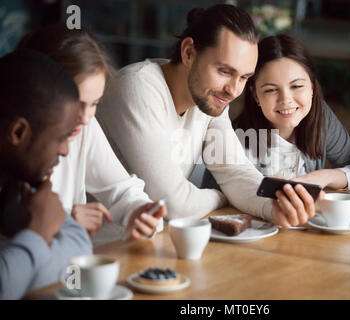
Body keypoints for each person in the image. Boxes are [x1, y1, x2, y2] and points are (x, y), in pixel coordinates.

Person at [98, 4, 324, 228]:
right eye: (225, 72)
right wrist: (221, 195)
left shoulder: (209, 99)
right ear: (188, 53)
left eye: (244, 77)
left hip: (160, 241)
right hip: (107, 247)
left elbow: (234, 171)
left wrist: (271, 206)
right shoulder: (137, 87)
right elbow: (175, 205)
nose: (234, 90)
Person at [18, 25, 166, 246]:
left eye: (94, 104)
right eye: (77, 103)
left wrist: (138, 211)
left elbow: (121, 190)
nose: (86, 118)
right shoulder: (13, 144)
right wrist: (66, 224)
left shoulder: (83, 128)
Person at [0, 50, 92, 299]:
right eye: (61, 138)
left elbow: (79, 250)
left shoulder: (21, 180)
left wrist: (20, 265)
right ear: (18, 132)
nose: (65, 151)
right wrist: (39, 233)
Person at [233, 34, 350, 190]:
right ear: (255, 95)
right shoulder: (236, 138)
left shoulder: (320, 117)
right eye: (271, 90)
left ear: (312, 87)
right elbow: (219, 192)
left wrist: (321, 177)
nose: (285, 100)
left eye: (296, 86)